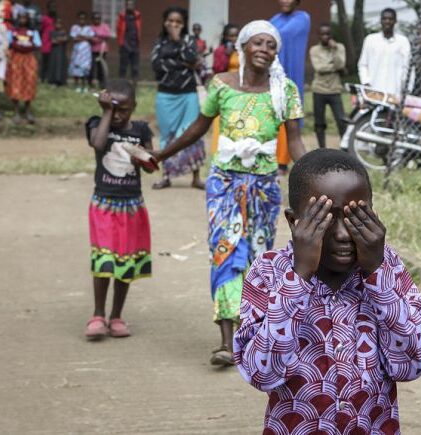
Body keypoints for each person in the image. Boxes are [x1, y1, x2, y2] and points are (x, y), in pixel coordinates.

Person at [233, 148, 421, 433]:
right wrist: (299, 276)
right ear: (294, 222)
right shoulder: (269, 272)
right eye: (326, 218)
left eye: (356, 217)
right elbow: (260, 372)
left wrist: (377, 274)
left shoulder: (387, 267)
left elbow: (414, 363)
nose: (342, 234)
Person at [150, 20, 306, 366]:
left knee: (257, 256)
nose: (264, 50)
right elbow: (198, 128)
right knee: (224, 251)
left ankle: (251, 334)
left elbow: (294, 141)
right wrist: (161, 155)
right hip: (224, 183)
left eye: (271, 45)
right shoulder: (221, 85)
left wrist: (315, 175)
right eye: (258, 43)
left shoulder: (285, 91)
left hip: (264, 187)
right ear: (244, 48)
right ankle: (226, 341)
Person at [84, 78, 154, 341]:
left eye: (122, 109)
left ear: (133, 107)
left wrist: (143, 156)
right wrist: (105, 112)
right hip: (104, 204)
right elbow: (98, 144)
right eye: (112, 109)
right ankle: (97, 314)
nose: (116, 115)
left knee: (125, 262)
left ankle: (116, 315)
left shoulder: (141, 130)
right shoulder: (97, 123)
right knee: (104, 259)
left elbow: (151, 164)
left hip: (132, 206)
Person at [150, 6, 205, 190]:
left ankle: (196, 177)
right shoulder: (159, 42)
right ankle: (167, 176)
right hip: (166, 96)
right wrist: (183, 64)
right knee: (168, 136)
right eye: (171, 21)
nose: (174, 25)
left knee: (192, 133)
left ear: (184, 24)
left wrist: (177, 41)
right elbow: (157, 65)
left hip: (188, 95)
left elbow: (193, 59)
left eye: (178, 22)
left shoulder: (189, 40)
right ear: (165, 22)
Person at [271, 0, 310, 173]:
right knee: (272, 116)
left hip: (291, 74)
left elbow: (279, 34)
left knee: (289, 117)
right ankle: (273, 159)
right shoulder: (274, 18)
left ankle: (283, 162)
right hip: (272, 75)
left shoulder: (303, 18)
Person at [309, 22, 346, 149]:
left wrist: (334, 51)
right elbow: (319, 68)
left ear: (331, 35)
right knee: (319, 123)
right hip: (319, 90)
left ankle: (345, 147)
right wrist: (334, 67)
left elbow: (341, 65)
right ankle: (322, 148)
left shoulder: (339, 47)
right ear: (319, 36)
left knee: (341, 121)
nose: (325, 36)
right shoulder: (314, 50)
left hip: (335, 90)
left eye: (328, 34)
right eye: (323, 34)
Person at [358, 8, 411, 97]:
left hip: (395, 91)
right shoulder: (370, 40)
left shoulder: (403, 41)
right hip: (374, 89)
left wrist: (406, 88)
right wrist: (366, 82)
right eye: (385, 19)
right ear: (381, 21)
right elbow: (363, 64)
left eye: (390, 19)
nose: (387, 22)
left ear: (395, 21)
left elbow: (407, 66)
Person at [208, 23, 240, 154]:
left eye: (236, 35)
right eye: (231, 35)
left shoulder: (244, 50)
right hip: (226, 88)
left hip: (241, 88)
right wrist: (227, 55)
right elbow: (218, 70)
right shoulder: (220, 51)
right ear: (226, 36)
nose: (234, 38)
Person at [6, 10, 40, 123]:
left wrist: (29, 46)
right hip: (16, 59)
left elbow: (37, 44)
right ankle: (16, 112)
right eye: (20, 17)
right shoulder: (12, 31)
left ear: (28, 19)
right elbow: (8, 43)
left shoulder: (33, 32)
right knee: (16, 83)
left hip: (29, 59)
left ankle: (27, 110)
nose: (22, 20)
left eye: (25, 18)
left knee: (29, 83)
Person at [116, 0, 141, 86]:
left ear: (134, 6)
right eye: (128, 4)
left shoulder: (137, 16)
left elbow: (138, 31)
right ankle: (121, 85)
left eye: (131, 4)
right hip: (125, 45)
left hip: (135, 45)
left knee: (135, 68)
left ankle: (134, 86)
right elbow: (118, 30)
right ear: (126, 6)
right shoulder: (122, 17)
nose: (130, 6)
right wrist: (121, 44)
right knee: (123, 67)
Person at [69, 11, 93, 93]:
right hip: (77, 51)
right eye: (80, 19)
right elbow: (74, 38)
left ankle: (84, 85)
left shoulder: (89, 28)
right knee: (76, 68)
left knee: (85, 69)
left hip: (86, 52)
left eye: (83, 19)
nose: (82, 20)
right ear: (78, 19)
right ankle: (77, 85)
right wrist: (85, 37)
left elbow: (91, 38)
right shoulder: (74, 27)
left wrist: (81, 36)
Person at [89, 12, 110, 89]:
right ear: (92, 20)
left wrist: (96, 35)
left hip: (102, 51)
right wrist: (100, 38)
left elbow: (107, 36)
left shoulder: (104, 26)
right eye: (95, 18)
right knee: (92, 68)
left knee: (101, 68)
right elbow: (90, 38)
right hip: (92, 50)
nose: (96, 20)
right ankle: (91, 84)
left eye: (98, 18)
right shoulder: (90, 28)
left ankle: (102, 84)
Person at [46, 16, 67, 86]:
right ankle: (53, 80)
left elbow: (66, 39)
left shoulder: (64, 32)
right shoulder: (52, 32)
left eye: (60, 23)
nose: (58, 25)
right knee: (53, 65)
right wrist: (60, 39)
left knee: (60, 65)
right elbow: (53, 41)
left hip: (61, 52)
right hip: (54, 51)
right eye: (57, 23)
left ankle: (60, 81)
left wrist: (58, 39)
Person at [38, 2, 54, 82]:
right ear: (48, 8)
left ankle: (49, 77)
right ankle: (42, 78)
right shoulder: (44, 18)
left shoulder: (55, 18)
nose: (53, 9)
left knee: (51, 61)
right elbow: (40, 29)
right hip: (45, 41)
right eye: (51, 7)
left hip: (53, 42)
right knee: (44, 61)